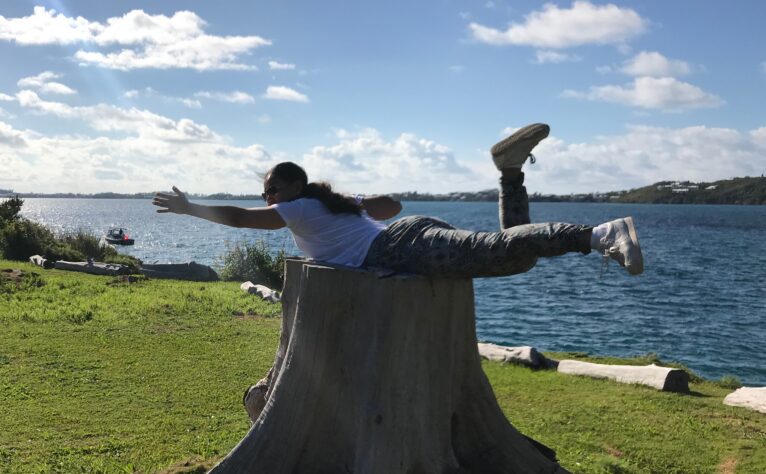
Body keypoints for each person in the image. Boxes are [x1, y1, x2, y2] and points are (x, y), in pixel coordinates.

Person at [152, 123, 643, 278]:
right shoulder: (325, 204)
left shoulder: (298, 208)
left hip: (396, 249)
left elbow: (240, 218)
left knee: (498, 251)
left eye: (272, 190)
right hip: (404, 238)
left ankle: (599, 234)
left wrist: (190, 208)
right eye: (266, 193)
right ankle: (510, 172)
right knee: (511, 255)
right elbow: (393, 206)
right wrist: (350, 201)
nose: (268, 198)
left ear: (292, 188)